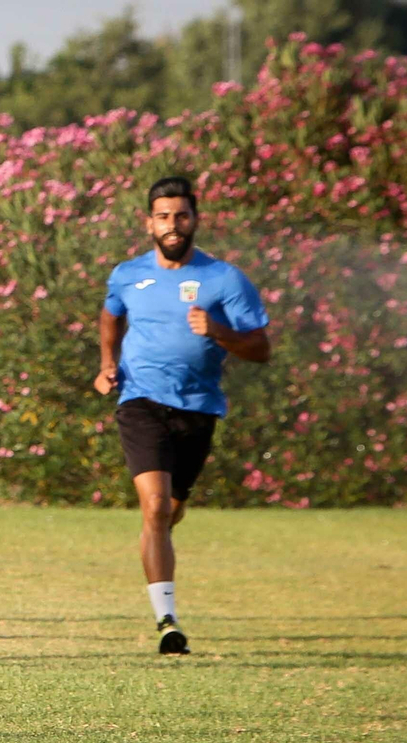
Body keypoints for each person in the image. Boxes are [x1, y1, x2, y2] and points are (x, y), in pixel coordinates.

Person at [94, 176, 271, 655]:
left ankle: (158, 540)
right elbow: (111, 316)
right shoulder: (128, 274)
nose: (173, 225)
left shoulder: (225, 279)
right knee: (154, 506)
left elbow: (259, 348)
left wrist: (217, 330)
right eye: (164, 216)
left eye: (182, 215)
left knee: (169, 510)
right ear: (149, 222)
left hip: (199, 407)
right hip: (139, 400)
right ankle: (167, 620)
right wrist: (107, 364)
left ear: (196, 220)